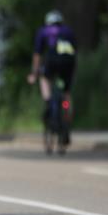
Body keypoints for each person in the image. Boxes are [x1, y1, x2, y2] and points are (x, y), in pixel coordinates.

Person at [27, 10, 77, 145]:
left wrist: (34, 73)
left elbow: (37, 54)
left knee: (44, 79)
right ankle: (66, 121)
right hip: (68, 63)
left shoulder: (43, 31)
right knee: (66, 94)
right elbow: (75, 50)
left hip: (51, 62)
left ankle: (48, 101)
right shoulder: (68, 31)